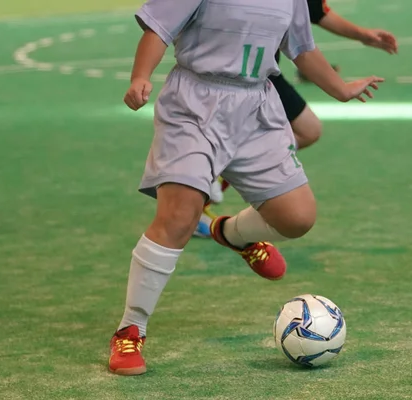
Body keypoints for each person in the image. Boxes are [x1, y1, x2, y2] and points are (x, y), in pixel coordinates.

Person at [108, 0, 383, 376]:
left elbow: (301, 48)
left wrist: (341, 89)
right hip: (195, 104)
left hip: (257, 107)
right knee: (179, 218)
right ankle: (131, 329)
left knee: (298, 217)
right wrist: (141, 76)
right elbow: (158, 27)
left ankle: (232, 234)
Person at [195, 0, 397, 236]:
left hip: (262, 71)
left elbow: (312, 16)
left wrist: (362, 37)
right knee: (304, 130)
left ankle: (217, 180)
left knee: (307, 130)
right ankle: (204, 195)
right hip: (229, 74)